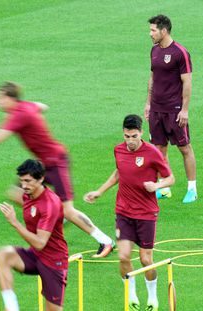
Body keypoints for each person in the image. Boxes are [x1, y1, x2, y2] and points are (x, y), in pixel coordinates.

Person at [0, 82, 114, 257]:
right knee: (16, 193)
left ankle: (105, 241)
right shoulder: (26, 107)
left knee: (68, 209)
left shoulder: (19, 114)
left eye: (0, 98)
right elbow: (41, 106)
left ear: (9, 98)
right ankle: (54, 216)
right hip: (42, 164)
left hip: (56, 162)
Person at [84, 115, 174, 311]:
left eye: (134, 136)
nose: (130, 141)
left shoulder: (152, 153)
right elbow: (118, 172)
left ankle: (152, 296)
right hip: (123, 211)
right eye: (127, 136)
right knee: (124, 256)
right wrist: (99, 191)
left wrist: (156, 185)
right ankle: (131, 294)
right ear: (123, 133)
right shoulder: (118, 149)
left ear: (141, 133)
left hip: (146, 213)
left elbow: (171, 178)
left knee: (145, 260)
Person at [0, 159, 68, 311]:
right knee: (1, 255)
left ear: (41, 179)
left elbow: (40, 242)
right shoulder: (28, 195)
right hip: (35, 255)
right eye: (21, 181)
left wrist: (15, 223)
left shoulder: (50, 204)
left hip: (54, 262)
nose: (24, 186)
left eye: (28, 181)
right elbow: (14, 193)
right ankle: (12, 307)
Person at [144, 14, 198, 203]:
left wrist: (184, 110)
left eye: (153, 30)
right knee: (159, 149)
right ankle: (165, 187)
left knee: (184, 148)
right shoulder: (154, 51)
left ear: (164, 31)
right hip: (157, 109)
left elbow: (187, 82)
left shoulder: (180, 52)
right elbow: (152, 78)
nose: (150, 34)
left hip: (174, 110)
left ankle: (192, 188)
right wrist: (148, 103)